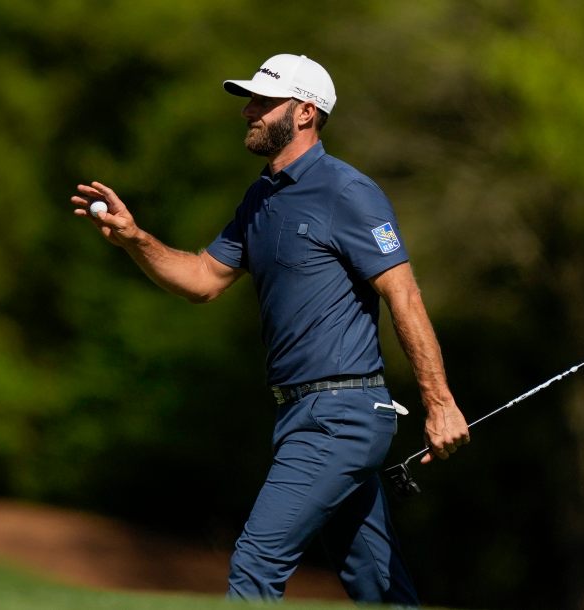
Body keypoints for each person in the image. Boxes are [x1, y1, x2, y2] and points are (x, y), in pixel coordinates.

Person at [71, 53, 470, 605]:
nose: (249, 112)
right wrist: (135, 239)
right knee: (378, 586)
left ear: (304, 112)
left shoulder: (347, 191)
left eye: (263, 101)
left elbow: (404, 294)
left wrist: (440, 403)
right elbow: (203, 279)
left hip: (340, 417)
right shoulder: (260, 197)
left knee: (255, 566)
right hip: (301, 414)